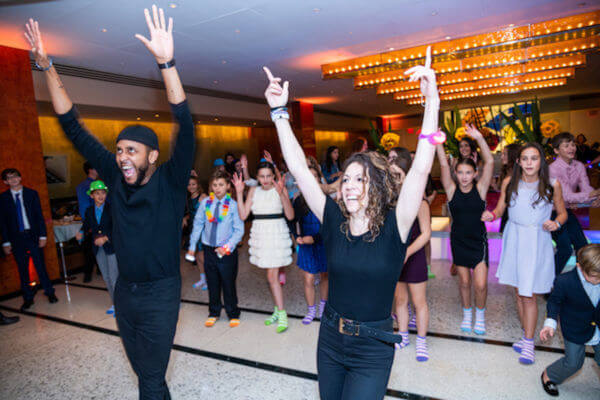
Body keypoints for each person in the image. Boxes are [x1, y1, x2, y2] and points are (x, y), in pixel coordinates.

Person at [25, 6, 193, 398]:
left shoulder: (170, 180)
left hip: (161, 293)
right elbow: (72, 125)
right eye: (119, 150)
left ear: (152, 155)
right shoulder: (114, 177)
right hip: (124, 290)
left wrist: (166, 62)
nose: (121, 157)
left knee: (149, 379)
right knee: (147, 376)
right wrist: (47, 67)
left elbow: (184, 124)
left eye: (131, 151)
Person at [263, 44, 441, 398]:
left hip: (373, 347)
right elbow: (299, 167)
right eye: (346, 178)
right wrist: (279, 112)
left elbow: (421, 167)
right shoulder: (333, 219)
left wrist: (432, 102)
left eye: (360, 178)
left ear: (376, 186)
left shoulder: (396, 226)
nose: (350, 185)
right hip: (329, 338)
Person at [482, 143, 567, 365]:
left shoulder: (551, 185)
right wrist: (492, 215)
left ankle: (528, 343)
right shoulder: (510, 182)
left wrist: (555, 223)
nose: (529, 163)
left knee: (529, 296)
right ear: (518, 161)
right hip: (514, 238)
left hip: (536, 241)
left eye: (534, 158)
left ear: (541, 161)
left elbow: (563, 213)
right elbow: (501, 209)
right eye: (525, 158)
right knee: (519, 292)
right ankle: (525, 335)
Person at [437, 125, 494, 335]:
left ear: (475, 173)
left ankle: (480, 316)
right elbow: (443, 163)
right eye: (460, 172)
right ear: (455, 173)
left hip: (478, 242)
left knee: (480, 284)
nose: (464, 176)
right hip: (459, 241)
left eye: (468, 172)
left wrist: (478, 137)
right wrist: (438, 141)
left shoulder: (480, 189)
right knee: (463, 282)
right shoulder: (451, 190)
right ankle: (467, 314)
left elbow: (489, 161)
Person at [232, 161, 294, 333]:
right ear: (257, 177)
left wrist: (282, 194)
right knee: (270, 277)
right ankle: (277, 310)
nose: (266, 179)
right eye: (262, 176)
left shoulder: (280, 189)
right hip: (261, 234)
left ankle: (282, 314)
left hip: (276, 233)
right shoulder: (253, 190)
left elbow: (290, 215)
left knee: (272, 277)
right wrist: (238, 193)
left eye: (269, 176)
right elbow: (243, 215)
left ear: (273, 176)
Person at [539, 244, 600, 397]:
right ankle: (549, 375)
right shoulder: (564, 281)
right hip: (574, 327)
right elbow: (554, 302)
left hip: (597, 326)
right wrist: (550, 322)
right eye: (594, 277)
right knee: (573, 363)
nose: (598, 280)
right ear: (579, 267)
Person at [389, 148, 432, 361]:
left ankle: (422, 340)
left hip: (413, 256)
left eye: (398, 175)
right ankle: (403, 335)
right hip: (396, 257)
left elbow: (426, 234)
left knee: (419, 302)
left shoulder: (420, 201)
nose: (395, 180)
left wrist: (407, 252)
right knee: (400, 300)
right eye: (392, 176)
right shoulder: (390, 202)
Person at [187, 170, 244, 328]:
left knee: (228, 282)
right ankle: (214, 312)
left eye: (221, 185)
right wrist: (192, 246)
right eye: (214, 185)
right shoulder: (206, 203)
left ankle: (233, 312)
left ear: (227, 186)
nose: (217, 188)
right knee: (212, 282)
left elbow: (239, 230)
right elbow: (198, 224)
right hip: (208, 248)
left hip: (226, 251)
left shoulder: (232, 206)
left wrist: (226, 247)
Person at [1, 168, 58, 311]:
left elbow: (39, 216)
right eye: (9, 178)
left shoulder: (32, 194)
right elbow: (2, 222)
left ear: (20, 178)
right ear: (5, 182)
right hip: (16, 238)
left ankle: (50, 292)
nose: (13, 179)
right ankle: (27, 298)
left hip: (32, 236)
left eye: (15, 176)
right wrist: (6, 242)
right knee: (22, 269)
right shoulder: (3, 198)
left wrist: (43, 236)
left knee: (40, 266)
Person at [549, 132, 600, 276]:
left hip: (566, 210)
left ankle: (583, 281)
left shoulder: (579, 166)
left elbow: (586, 188)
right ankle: (548, 283)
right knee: (564, 248)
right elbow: (566, 195)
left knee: (582, 247)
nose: (572, 148)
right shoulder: (553, 169)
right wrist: (590, 196)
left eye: (572, 144)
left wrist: (593, 198)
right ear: (556, 150)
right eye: (566, 145)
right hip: (551, 212)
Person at [75, 180, 118, 315]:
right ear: (91, 196)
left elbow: (118, 227)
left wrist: (106, 238)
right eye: (97, 193)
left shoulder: (112, 209)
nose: (101, 196)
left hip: (111, 247)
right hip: (98, 249)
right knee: (106, 277)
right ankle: (115, 303)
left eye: (103, 193)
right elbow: (87, 225)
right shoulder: (89, 211)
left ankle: (121, 305)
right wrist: (81, 232)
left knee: (114, 277)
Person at [293, 164, 328, 324]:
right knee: (308, 279)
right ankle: (311, 309)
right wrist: (297, 237)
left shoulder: (325, 199)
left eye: (315, 176)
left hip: (322, 241)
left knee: (324, 276)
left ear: (319, 179)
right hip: (305, 243)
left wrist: (314, 239)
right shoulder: (299, 200)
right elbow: (293, 221)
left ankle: (323, 306)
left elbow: (329, 226)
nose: (312, 179)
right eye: (309, 176)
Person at [183, 176, 208, 290]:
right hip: (194, 230)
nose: (191, 186)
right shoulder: (189, 199)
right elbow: (192, 213)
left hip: (203, 229)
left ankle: (209, 279)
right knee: (197, 256)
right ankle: (202, 278)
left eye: (193, 184)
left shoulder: (202, 197)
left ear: (198, 185)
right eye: (189, 184)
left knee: (203, 256)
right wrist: (186, 217)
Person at [77, 161, 99, 282]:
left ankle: (99, 270)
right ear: (90, 170)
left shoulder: (100, 184)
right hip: (92, 221)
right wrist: (88, 223)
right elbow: (84, 207)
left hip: (103, 219)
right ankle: (88, 274)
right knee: (90, 250)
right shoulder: (84, 186)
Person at [498, 143, 521, 232]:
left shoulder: (520, 175)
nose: (501, 157)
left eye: (504, 154)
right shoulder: (505, 171)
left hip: (516, 213)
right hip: (505, 212)